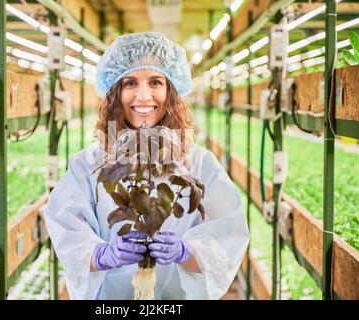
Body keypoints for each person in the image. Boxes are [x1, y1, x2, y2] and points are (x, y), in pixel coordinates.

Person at [44, 32, 250, 300]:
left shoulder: (198, 164)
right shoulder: (89, 164)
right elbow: (66, 228)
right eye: (130, 82)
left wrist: (188, 252)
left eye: (155, 82)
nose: (143, 96)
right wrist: (102, 254)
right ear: (115, 92)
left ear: (171, 90)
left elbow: (228, 234)